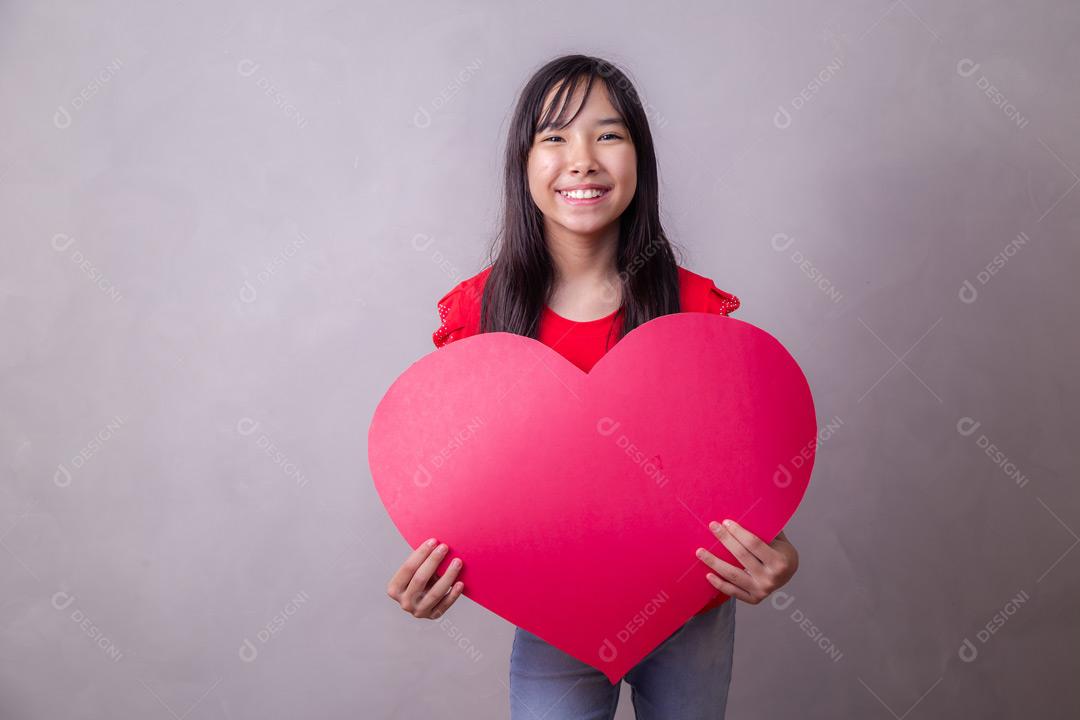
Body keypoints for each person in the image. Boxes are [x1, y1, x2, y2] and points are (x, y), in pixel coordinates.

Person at [386, 54, 799, 719]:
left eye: (608, 134)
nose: (582, 159)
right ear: (523, 163)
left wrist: (775, 550)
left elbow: (736, 476)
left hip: (689, 613)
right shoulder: (478, 314)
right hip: (555, 620)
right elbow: (467, 485)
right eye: (555, 137)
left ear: (641, 157)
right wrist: (439, 568)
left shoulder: (697, 314)